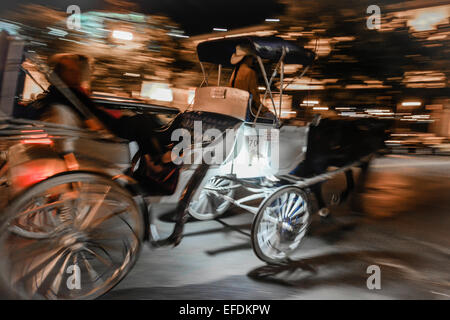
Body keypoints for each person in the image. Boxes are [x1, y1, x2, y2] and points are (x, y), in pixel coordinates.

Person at [228, 45, 275, 121]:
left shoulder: (234, 72)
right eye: (252, 58)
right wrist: (266, 111)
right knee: (272, 120)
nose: (253, 61)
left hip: (234, 110)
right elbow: (255, 98)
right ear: (247, 58)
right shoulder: (250, 72)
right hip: (247, 111)